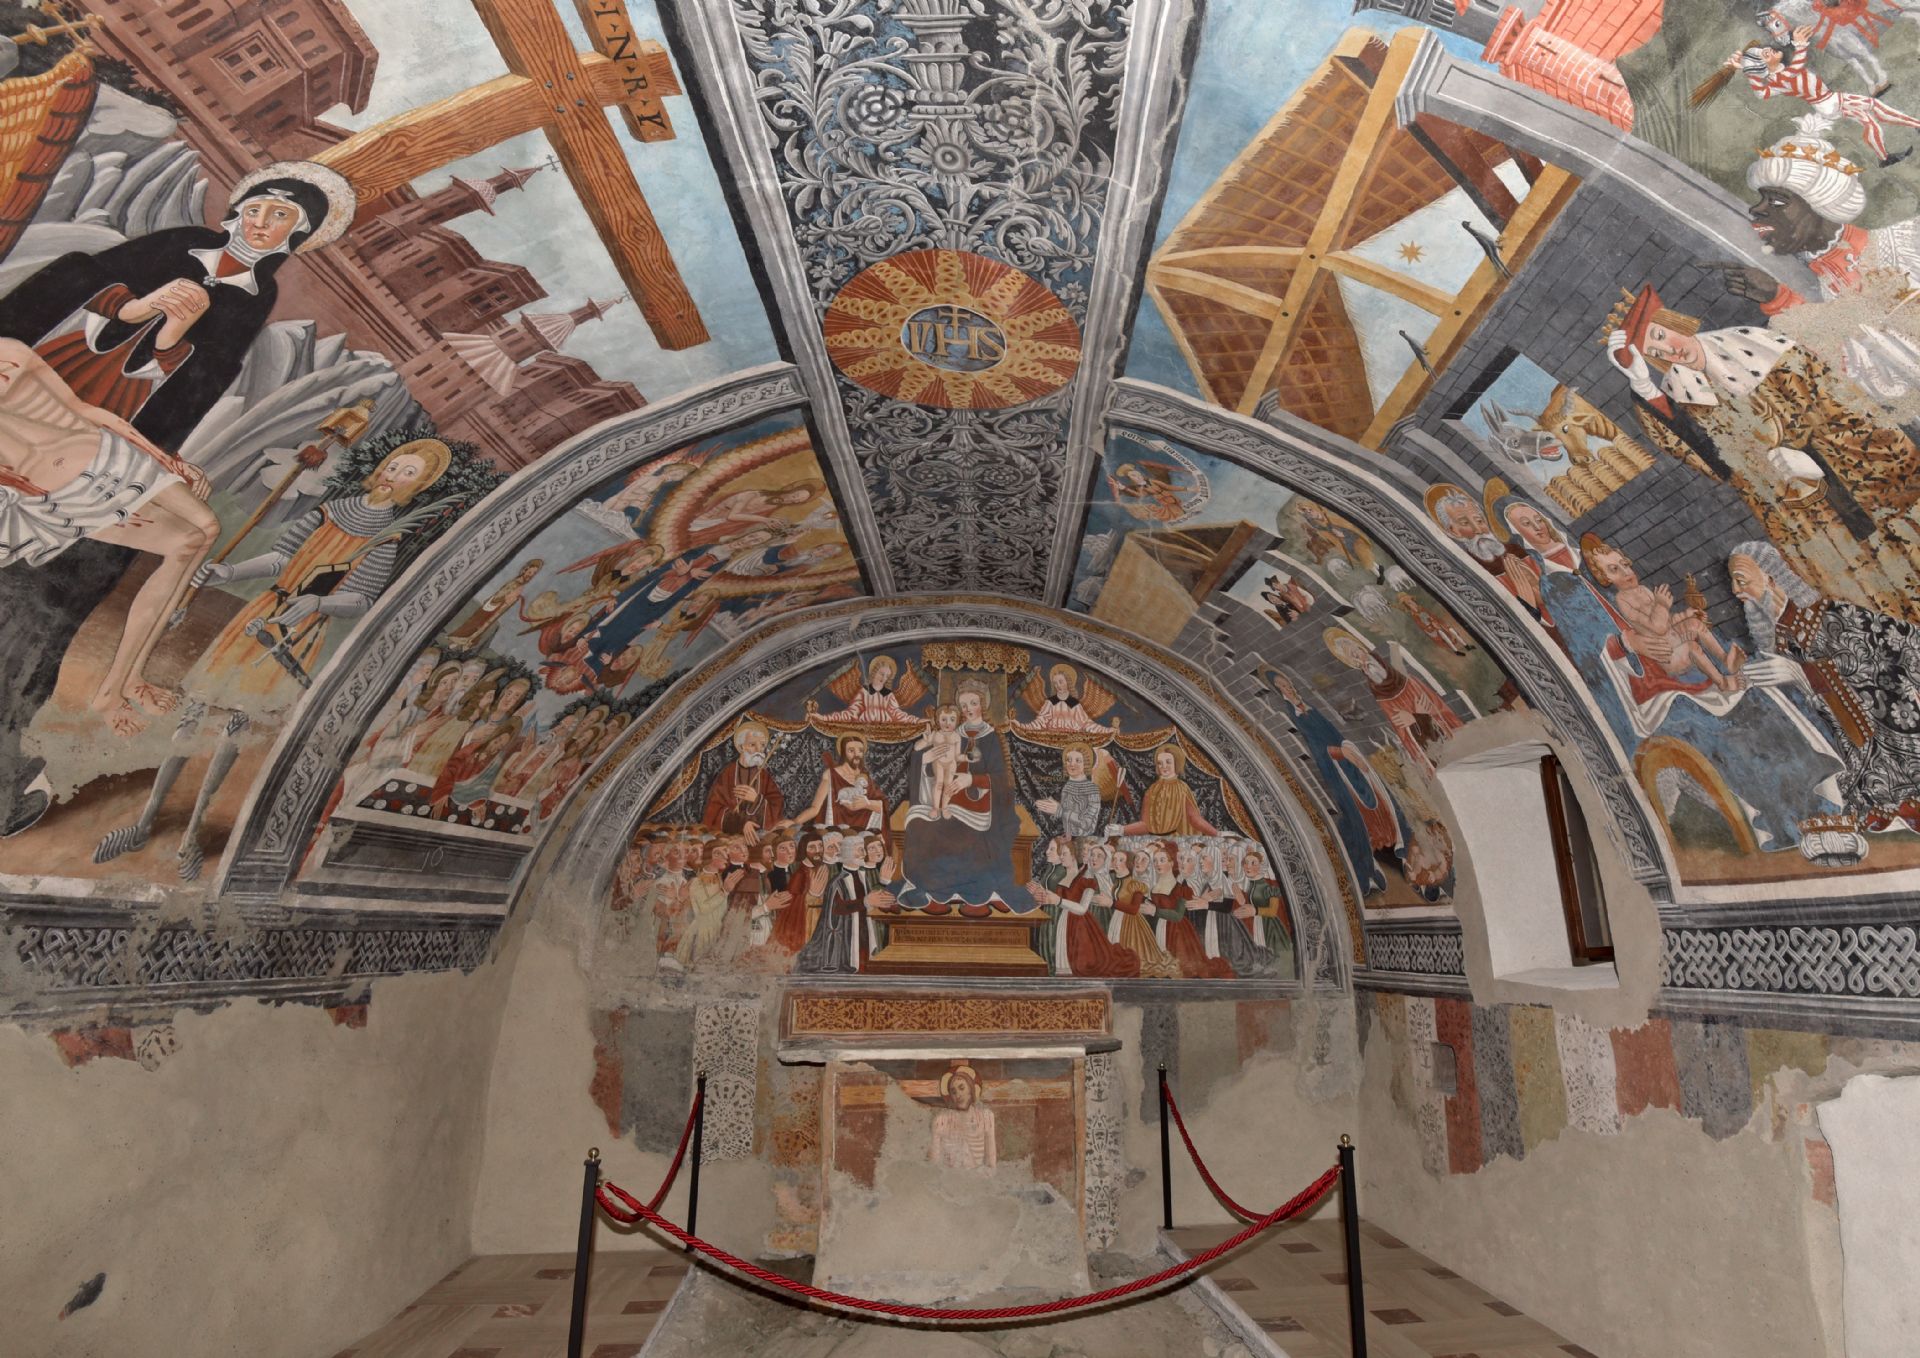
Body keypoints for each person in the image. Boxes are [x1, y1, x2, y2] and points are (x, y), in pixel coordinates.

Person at [0, 160, 357, 832]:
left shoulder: (251, 300)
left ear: (298, 236)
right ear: (239, 207)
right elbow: (71, 285)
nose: (261, 221)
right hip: (39, 398)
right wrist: (136, 308)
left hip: (108, 437)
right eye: (258, 205)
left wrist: (164, 363)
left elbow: (192, 384)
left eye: (281, 216)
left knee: (50, 611)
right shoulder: (180, 244)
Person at [0, 337, 217, 734]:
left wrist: (164, 458)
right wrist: (59, 508)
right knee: (184, 541)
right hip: (70, 493)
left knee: (204, 528)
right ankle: (117, 687)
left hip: (111, 456)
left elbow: (83, 409)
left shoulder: (11, 352)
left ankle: (127, 681)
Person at [191, 439, 454, 704]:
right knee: (206, 688)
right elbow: (281, 558)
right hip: (264, 609)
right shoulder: (326, 513)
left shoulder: (386, 540)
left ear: (418, 486)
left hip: (303, 627)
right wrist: (231, 572)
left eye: (409, 473)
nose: (393, 477)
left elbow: (361, 600)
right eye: (392, 467)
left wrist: (319, 602)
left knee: (250, 701)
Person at [1583, 535, 1743, 692]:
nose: (1626, 572)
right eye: (1614, 570)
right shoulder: (1623, 600)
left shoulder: (1643, 590)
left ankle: (1725, 660)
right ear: (1606, 578)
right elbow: (1658, 628)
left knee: (1695, 624)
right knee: (1692, 647)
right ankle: (1722, 682)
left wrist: (1686, 615)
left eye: (1625, 564)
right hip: (1667, 655)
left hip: (1673, 638)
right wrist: (1661, 605)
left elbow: (1667, 622)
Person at [1324, 630, 1462, 777]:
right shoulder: (1383, 699)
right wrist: (1414, 718)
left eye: (1355, 652)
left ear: (1362, 648)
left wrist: (1419, 715)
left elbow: (1441, 712)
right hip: (1438, 758)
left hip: (1454, 748)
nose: (1358, 658)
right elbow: (1405, 735)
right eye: (1353, 658)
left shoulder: (1410, 682)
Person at [701, 722, 785, 844]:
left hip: (759, 835)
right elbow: (714, 810)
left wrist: (756, 799)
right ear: (742, 747)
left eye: (762, 745)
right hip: (731, 836)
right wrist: (742, 824)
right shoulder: (728, 773)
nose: (759, 750)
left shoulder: (763, 775)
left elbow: (776, 805)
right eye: (752, 745)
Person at [1115, 745, 1218, 838]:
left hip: (1174, 841)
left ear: (1176, 763)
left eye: (1168, 762)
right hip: (1153, 842)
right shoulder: (1152, 790)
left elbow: (1194, 818)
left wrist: (1216, 833)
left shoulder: (1182, 788)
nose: (1163, 766)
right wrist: (1122, 829)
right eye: (1160, 763)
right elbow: (1145, 825)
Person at [929, 1066, 996, 1169]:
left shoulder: (986, 1117)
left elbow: (991, 1164)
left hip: (979, 1177)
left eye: (961, 1088)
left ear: (971, 1089)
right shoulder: (941, 1120)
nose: (958, 1095)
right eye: (953, 1092)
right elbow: (934, 1164)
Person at [1033, 742, 1103, 838]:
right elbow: (1066, 820)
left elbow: (1087, 824)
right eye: (1069, 760)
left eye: (1078, 760)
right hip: (1067, 838)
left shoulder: (1091, 789)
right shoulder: (1068, 786)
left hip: (1084, 840)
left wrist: (1060, 810)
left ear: (1086, 763)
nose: (1072, 764)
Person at [915, 704, 968, 819]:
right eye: (944, 719)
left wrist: (967, 757)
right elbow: (917, 748)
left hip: (951, 764)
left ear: (957, 721)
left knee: (948, 785)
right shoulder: (935, 734)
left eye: (952, 719)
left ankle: (944, 808)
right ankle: (935, 808)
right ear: (938, 720)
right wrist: (925, 741)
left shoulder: (956, 737)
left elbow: (957, 756)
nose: (947, 723)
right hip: (938, 762)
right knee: (938, 783)